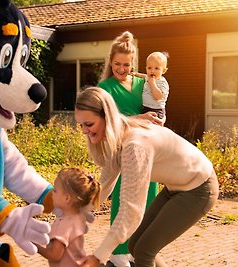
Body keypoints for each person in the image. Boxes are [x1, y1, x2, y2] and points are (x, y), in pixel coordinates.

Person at [75, 87, 219, 267]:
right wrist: (77, 214)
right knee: (135, 246)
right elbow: (104, 184)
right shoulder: (119, 137)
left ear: (107, 117)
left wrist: (98, 256)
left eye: (89, 124)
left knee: (144, 251)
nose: (83, 131)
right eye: (80, 125)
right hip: (176, 188)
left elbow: (130, 211)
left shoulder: (135, 146)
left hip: (199, 189)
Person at [97, 31, 161, 267]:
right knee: (125, 198)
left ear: (132, 63)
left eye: (126, 64)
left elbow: (158, 102)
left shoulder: (143, 83)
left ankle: (139, 247)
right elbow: (107, 120)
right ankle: (118, 251)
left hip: (148, 147)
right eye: (117, 64)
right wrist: (140, 117)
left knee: (149, 198)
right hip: (124, 149)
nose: (122, 69)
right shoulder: (105, 87)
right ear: (110, 62)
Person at [35, 168, 101, 267]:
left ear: (67, 198)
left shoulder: (64, 225)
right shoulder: (79, 217)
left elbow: (55, 255)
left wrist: (35, 246)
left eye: (55, 190)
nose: (52, 193)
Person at [132, 51, 170, 120]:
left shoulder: (162, 82)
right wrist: (136, 74)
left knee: (154, 128)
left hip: (156, 110)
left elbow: (158, 96)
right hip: (145, 108)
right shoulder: (148, 77)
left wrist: (152, 84)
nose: (152, 71)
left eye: (156, 68)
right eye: (149, 68)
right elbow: (144, 76)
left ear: (163, 71)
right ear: (146, 68)